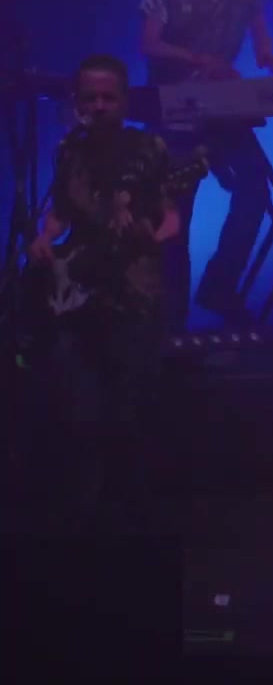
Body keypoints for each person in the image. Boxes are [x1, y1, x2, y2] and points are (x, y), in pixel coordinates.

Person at [24, 56, 187, 530]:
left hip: (134, 295)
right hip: (77, 294)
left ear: (124, 101)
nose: (98, 106)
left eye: (108, 97)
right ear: (77, 102)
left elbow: (171, 217)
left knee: (132, 409)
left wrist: (150, 238)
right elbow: (61, 212)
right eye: (90, 98)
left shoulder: (148, 148)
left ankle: (135, 522)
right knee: (79, 408)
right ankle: (84, 521)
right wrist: (44, 238)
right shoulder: (68, 150)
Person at [138, 0, 273, 328]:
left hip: (221, 105)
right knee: (177, 210)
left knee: (255, 189)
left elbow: (257, 24)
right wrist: (198, 59)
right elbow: (149, 43)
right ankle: (172, 317)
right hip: (175, 109)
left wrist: (266, 52)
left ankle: (220, 285)